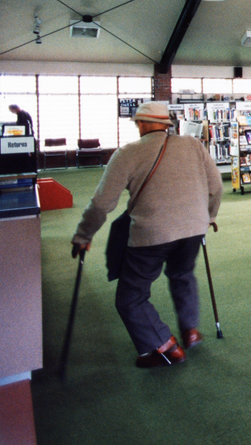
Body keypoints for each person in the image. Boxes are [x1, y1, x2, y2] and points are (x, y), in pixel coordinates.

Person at [71, 102, 223, 368]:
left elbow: (101, 203)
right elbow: (216, 186)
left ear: (140, 124)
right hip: (193, 228)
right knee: (182, 274)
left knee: (131, 296)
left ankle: (164, 346)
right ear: (167, 125)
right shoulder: (193, 145)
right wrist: (209, 216)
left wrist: (84, 235)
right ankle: (190, 331)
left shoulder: (127, 153)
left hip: (152, 232)